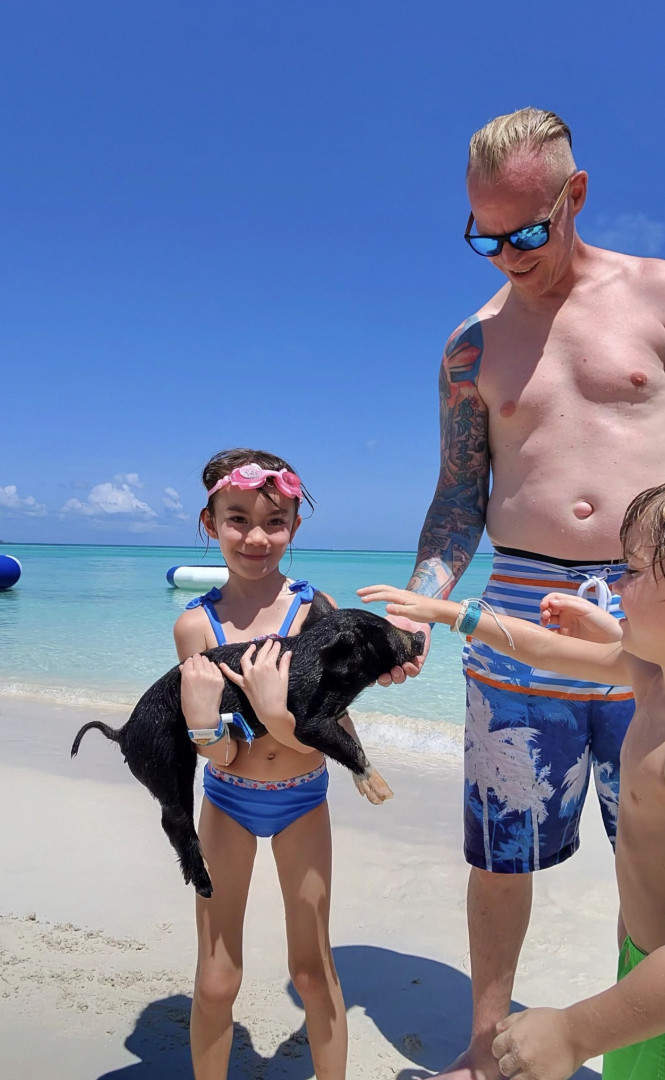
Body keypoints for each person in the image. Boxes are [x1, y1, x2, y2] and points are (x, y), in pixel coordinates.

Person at [367, 106, 665, 1080]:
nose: (506, 257)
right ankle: (485, 1050)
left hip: (650, 611)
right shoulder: (470, 346)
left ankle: (636, 1049)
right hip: (514, 617)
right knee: (501, 854)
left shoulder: (656, 296)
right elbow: (457, 498)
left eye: (526, 232)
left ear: (574, 195)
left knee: (655, 860)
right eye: (484, 237)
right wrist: (416, 605)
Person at [360, 482, 665, 1079]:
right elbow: (545, 650)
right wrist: (454, 613)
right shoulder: (650, 675)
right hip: (640, 971)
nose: (614, 583)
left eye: (629, 571)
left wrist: (575, 1033)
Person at [174, 447, 391, 1080]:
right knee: (216, 979)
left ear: (294, 525)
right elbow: (219, 751)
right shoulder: (196, 627)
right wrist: (203, 727)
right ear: (210, 523)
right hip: (227, 800)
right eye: (237, 519)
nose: (256, 537)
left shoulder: (315, 610)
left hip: (303, 801)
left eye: (274, 522)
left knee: (312, 970)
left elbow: (328, 720)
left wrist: (291, 724)